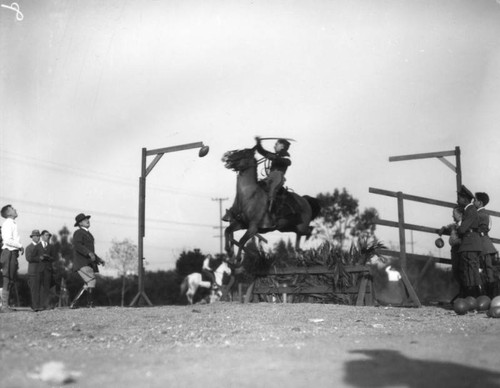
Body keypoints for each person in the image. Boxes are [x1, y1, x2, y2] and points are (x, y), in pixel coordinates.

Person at [70, 213, 104, 309]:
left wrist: (98, 259)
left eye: (87, 219)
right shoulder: (78, 232)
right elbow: (78, 246)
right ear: (80, 223)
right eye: (85, 220)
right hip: (82, 262)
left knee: (88, 282)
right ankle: (89, 304)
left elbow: (90, 250)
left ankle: (74, 303)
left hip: (87, 262)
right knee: (91, 280)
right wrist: (89, 253)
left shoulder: (88, 234)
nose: (88, 221)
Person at [456, 186, 483, 298]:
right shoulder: (469, 210)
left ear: (465, 199)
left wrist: (458, 224)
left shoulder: (470, 210)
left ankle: (474, 296)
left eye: (459, 198)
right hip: (470, 244)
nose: (458, 200)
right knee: (470, 271)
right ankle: (472, 296)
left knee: (471, 271)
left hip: (470, 244)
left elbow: (462, 229)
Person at [255, 137, 292, 214]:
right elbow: (262, 151)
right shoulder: (275, 155)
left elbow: (288, 162)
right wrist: (258, 143)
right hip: (270, 177)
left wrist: (275, 157)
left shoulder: (285, 155)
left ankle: (270, 213)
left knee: (272, 190)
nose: (274, 146)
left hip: (278, 177)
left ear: (282, 146)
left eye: (276, 144)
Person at [474, 192, 499, 298]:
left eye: (474, 200)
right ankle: (490, 296)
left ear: (480, 202)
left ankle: (490, 297)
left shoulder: (480, 215)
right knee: (488, 271)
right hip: (487, 246)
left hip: (484, 247)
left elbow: (483, 229)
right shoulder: (485, 214)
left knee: (487, 272)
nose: (473, 202)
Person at [0, 205, 24, 312]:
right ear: (9, 213)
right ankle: (4, 306)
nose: (16, 210)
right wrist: (20, 246)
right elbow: (7, 241)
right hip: (8, 253)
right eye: (13, 209)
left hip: (12, 253)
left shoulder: (13, 223)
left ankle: (6, 305)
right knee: (7, 278)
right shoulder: (8, 224)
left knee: (10, 279)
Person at [438, 207, 464, 301]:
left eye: (454, 213)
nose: (452, 215)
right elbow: (450, 226)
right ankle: (462, 293)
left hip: (461, 250)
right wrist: (444, 228)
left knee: (462, 272)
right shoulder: (454, 225)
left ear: (460, 215)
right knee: (456, 272)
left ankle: (464, 294)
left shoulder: (464, 225)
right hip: (455, 251)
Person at [25, 229, 44, 311]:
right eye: (36, 236)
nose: (37, 238)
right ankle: (35, 306)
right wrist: (39, 258)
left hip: (41, 271)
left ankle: (41, 305)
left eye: (38, 236)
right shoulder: (29, 247)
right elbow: (28, 258)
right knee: (34, 289)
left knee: (41, 289)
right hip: (33, 272)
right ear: (32, 237)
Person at [39, 230, 56, 309]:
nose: (48, 237)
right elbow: (32, 257)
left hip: (48, 269)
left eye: (49, 236)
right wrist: (40, 258)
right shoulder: (38, 246)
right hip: (39, 269)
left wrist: (48, 257)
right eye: (46, 235)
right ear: (41, 236)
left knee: (47, 287)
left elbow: (54, 257)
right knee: (39, 287)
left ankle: (47, 304)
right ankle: (40, 304)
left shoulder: (51, 247)